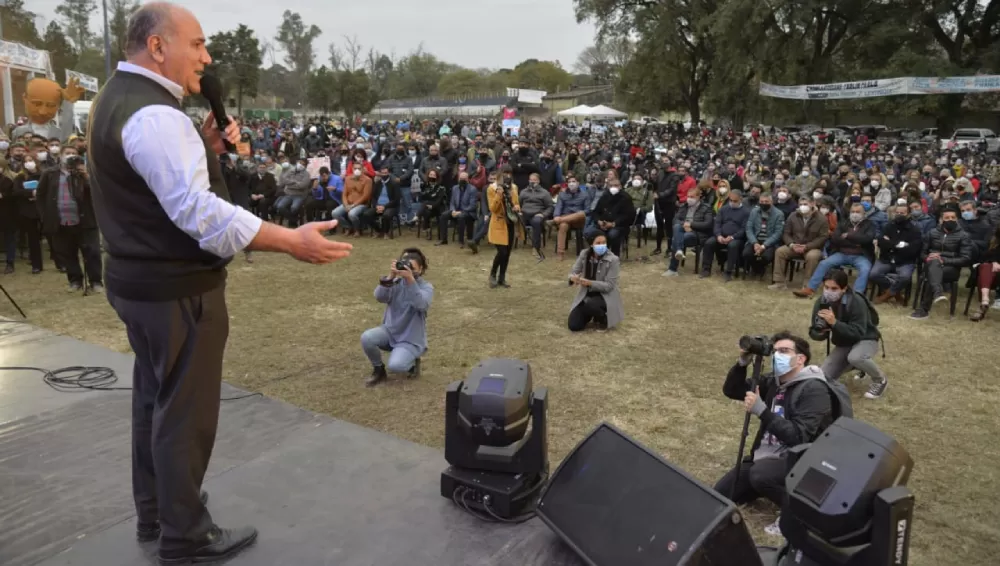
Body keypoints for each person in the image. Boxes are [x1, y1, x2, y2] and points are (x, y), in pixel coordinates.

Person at [87, 4, 352, 563]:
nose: (207, 59)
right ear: (158, 47)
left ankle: (157, 510)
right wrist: (289, 240)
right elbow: (198, 214)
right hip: (176, 287)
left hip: (136, 281)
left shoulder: (117, 99)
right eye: (198, 45)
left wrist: (204, 148)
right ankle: (185, 534)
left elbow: (159, 189)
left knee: (154, 400)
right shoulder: (158, 117)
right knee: (184, 410)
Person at [714, 331, 833, 537]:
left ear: (801, 358)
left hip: (800, 461)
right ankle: (772, 486)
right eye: (776, 351)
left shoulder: (814, 389)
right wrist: (742, 362)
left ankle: (798, 512)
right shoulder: (773, 382)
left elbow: (799, 436)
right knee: (722, 493)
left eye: (785, 351)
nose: (778, 355)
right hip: (765, 458)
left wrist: (762, 411)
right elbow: (732, 390)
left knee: (761, 475)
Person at [808, 270, 888, 399]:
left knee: (856, 357)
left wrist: (835, 323)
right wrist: (821, 331)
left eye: (834, 288)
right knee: (824, 376)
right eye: (826, 287)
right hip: (844, 341)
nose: (829, 291)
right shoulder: (821, 302)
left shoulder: (856, 301)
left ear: (844, 288)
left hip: (866, 338)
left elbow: (858, 332)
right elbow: (813, 332)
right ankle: (858, 366)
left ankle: (880, 380)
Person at [362, 247, 433, 386]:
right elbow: (379, 297)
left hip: (410, 339)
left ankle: (412, 362)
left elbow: (421, 305)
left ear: (421, 269)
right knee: (367, 338)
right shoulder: (395, 283)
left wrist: (410, 280)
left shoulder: (426, 288)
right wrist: (390, 277)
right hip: (390, 331)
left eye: (412, 268)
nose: (407, 269)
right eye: (405, 265)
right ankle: (379, 370)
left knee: (396, 366)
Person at [909, 207, 973, 319]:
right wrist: (927, 258)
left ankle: (925, 309)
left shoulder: (964, 236)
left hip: (951, 268)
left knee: (933, 272)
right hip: (931, 264)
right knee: (933, 265)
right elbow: (923, 253)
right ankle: (937, 292)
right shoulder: (932, 233)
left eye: (953, 218)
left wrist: (943, 259)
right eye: (947, 218)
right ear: (941, 220)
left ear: (957, 219)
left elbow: (965, 258)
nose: (950, 220)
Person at [567, 234, 623, 331]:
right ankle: (591, 313)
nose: (601, 245)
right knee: (574, 325)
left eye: (604, 243)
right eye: (598, 243)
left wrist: (590, 283)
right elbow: (574, 271)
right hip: (586, 295)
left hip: (605, 296)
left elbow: (609, 286)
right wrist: (573, 278)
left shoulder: (613, 260)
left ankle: (603, 319)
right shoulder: (584, 254)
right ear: (591, 244)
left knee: (591, 304)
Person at [870, 203, 922, 305]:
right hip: (886, 259)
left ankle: (886, 295)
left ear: (908, 214)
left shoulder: (914, 230)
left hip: (905, 261)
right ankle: (896, 293)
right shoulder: (888, 226)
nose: (899, 214)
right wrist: (900, 244)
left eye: (902, 213)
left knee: (905, 277)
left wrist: (890, 243)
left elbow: (913, 249)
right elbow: (881, 242)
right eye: (897, 212)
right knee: (873, 274)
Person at [487, 165, 523, 288]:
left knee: (507, 253)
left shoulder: (514, 187)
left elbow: (516, 203)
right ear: (500, 174)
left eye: (509, 173)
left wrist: (517, 207)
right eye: (505, 173)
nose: (507, 175)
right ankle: (492, 274)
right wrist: (499, 194)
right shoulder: (492, 188)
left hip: (510, 222)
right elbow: (492, 208)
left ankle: (502, 277)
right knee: (501, 252)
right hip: (498, 223)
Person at [969, 223, 1000, 321]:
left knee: (985, 270)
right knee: (985, 267)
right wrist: (994, 260)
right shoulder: (994, 243)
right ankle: (985, 300)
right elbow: (985, 256)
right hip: (994, 275)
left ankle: (982, 305)